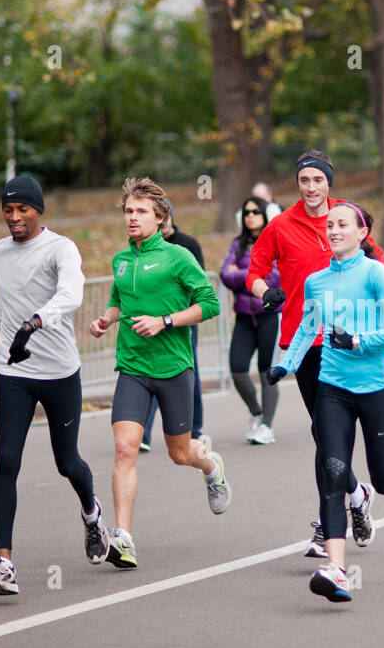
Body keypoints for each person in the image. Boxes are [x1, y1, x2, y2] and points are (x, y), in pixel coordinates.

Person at [266, 201, 384, 602]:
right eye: (329, 224)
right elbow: (309, 327)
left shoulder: (375, 273)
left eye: (342, 224)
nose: (333, 229)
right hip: (332, 388)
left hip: (376, 387)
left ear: (362, 232)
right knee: (332, 470)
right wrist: (284, 365)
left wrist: (360, 340)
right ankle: (337, 570)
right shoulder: (316, 281)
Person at [0, 174, 106, 596]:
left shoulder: (61, 248)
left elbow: (71, 294)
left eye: (22, 209)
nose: (14, 217)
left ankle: (92, 514)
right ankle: (4, 561)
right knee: (7, 460)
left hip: (60, 371)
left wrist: (35, 323)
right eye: (7, 210)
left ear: (38, 210)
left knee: (68, 464)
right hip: (15, 373)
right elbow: (9, 298)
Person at [246, 149, 384, 559]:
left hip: (346, 338)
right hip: (304, 344)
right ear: (297, 184)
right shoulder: (281, 225)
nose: (311, 188)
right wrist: (265, 293)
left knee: (328, 435)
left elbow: (377, 261)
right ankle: (356, 494)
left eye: (318, 180)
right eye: (304, 180)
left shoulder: (345, 220)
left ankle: (330, 527)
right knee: (323, 434)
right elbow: (255, 271)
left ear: (330, 183)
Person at [87, 177, 230, 570]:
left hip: (172, 367)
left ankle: (211, 466)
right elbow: (119, 299)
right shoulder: (121, 260)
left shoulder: (178, 257)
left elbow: (211, 302)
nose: (133, 218)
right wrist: (106, 319)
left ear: (159, 216)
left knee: (179, 453)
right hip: (133, 367)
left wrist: (166, 320)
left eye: (141, 212)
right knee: (124, 448)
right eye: (128, 212)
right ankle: (124, 538)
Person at [138, 200, 207, 452]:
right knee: (152, 373)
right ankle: (143, 433)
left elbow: (198, 287)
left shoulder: (187, 245)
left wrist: (178, 314)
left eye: (166, 215)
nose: (163, 220)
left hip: (182, 321)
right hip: (153, 321)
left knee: (189, 373)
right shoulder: (145, 246)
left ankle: (195, 428)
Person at [220, 195, 282, 445]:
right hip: (244, 318)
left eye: (256, 211)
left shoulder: (274, 241)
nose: (250, 216)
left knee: (268, 372)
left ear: (266, 214)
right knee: (237, 370)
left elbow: (274, 277)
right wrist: (253, 278)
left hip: (269, 316)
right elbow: (225, 275)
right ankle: (256, 412)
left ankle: (267, 426)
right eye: (246, 212)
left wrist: (242, 275)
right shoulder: (238, 245)